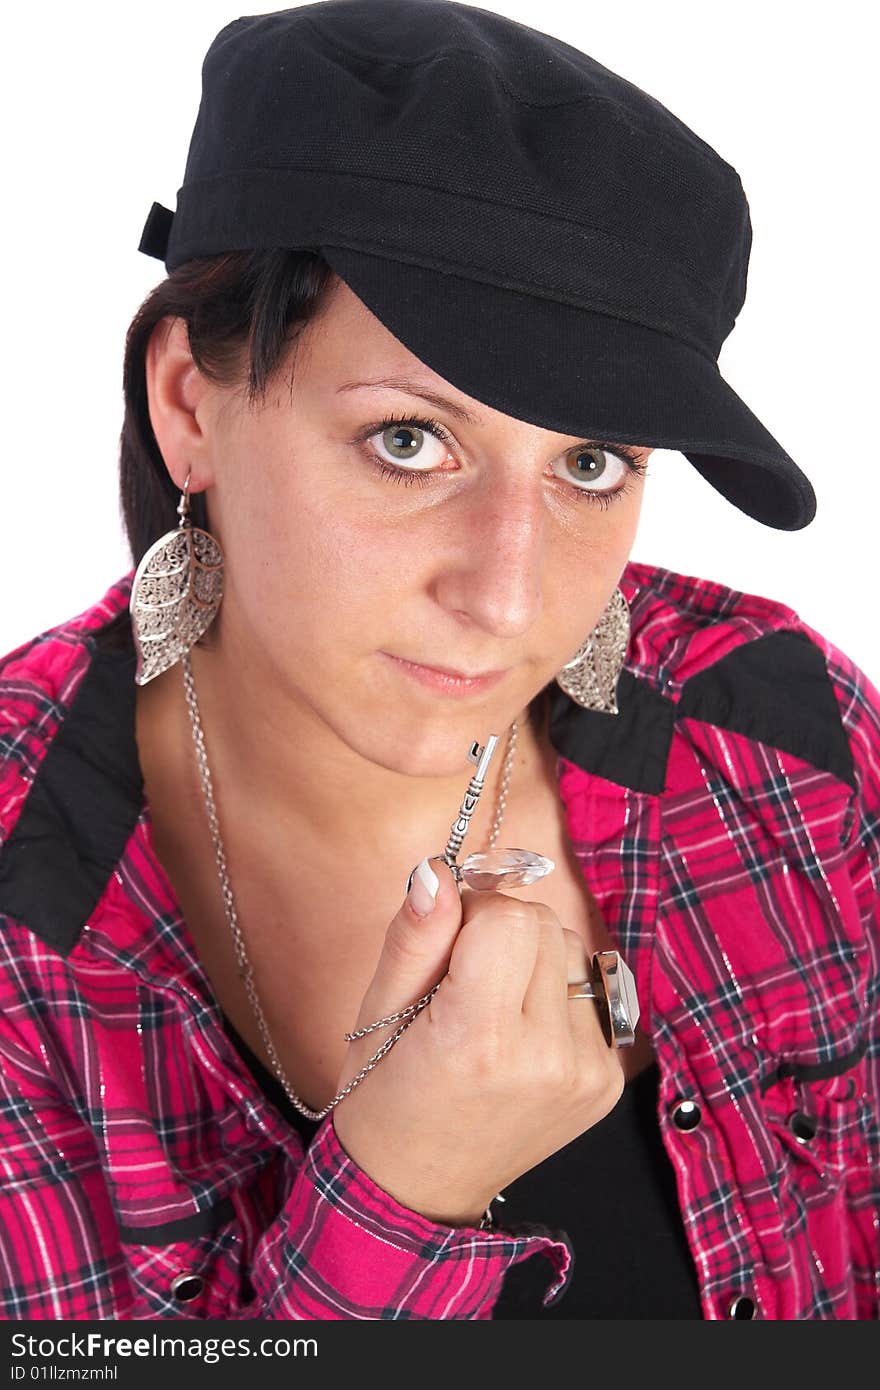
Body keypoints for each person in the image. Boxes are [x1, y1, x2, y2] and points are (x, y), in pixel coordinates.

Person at [0, 0, 877, 1322]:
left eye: (590, 464)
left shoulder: (776, 731)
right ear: (190, 403)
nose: (508, 592)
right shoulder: (28, 923)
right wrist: (398, 1199)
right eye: (410, 440)